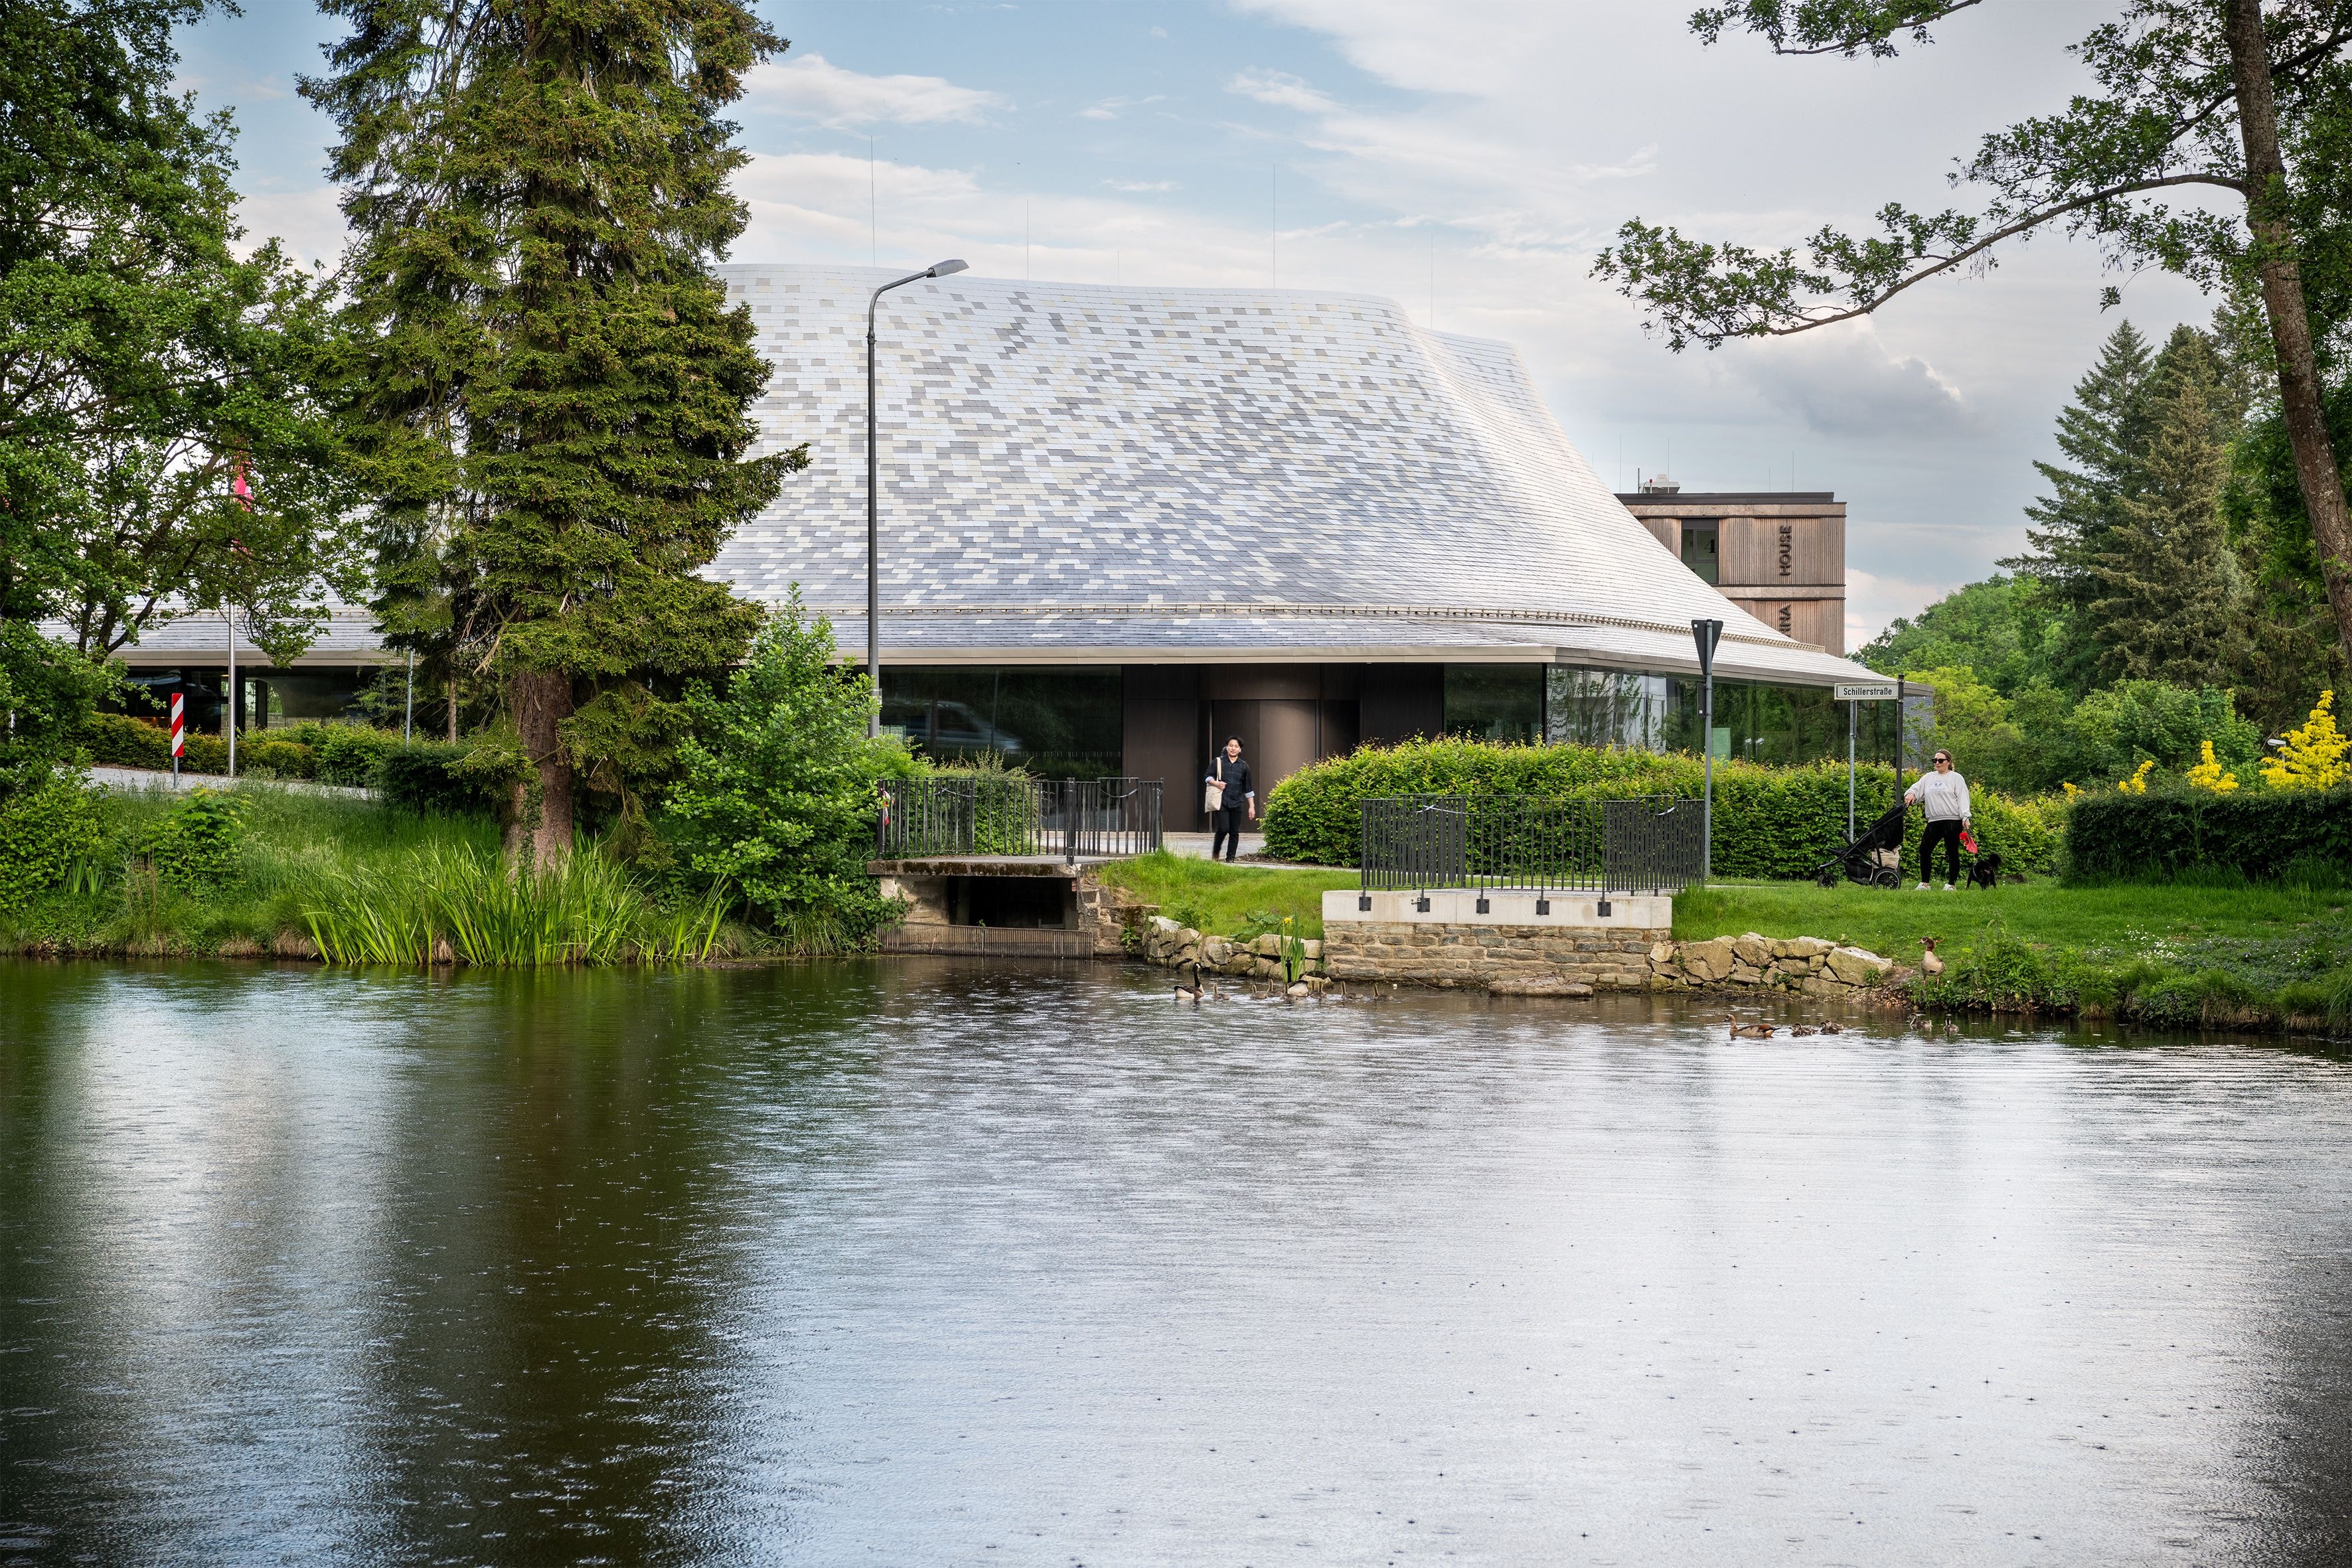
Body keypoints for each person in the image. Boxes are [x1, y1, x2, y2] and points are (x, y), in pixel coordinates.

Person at [1903, 748, 1972, 891]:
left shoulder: (1956, 778)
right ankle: (1925, 884)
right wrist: (1910, 794)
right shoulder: (1928, 777)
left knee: (1952, 852)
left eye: (1941, 760)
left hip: (1952, 820)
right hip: (1934, 820)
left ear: (1949, 762)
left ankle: (1951, 885)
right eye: (1935, 760)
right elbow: (1916, 789)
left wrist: (1966, 817)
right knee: (1924, 850)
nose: (1937, 763)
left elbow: (1963, 798)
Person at [1205, 738, 1255, 862]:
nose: (1233, 748)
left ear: (1240, 749)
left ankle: (1230, 859)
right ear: (1227, 747)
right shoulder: (1218, 762)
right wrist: (1216, 783)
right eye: (1231, 745)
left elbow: (1248, 788)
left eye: (1236, 746)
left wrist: (1252, 807)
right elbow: (1207, 776)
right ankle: (1216, 852)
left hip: (1237, 802)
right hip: (1221, 801)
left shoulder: (1244, 766)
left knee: (1234, 832)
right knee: (1223, 828)